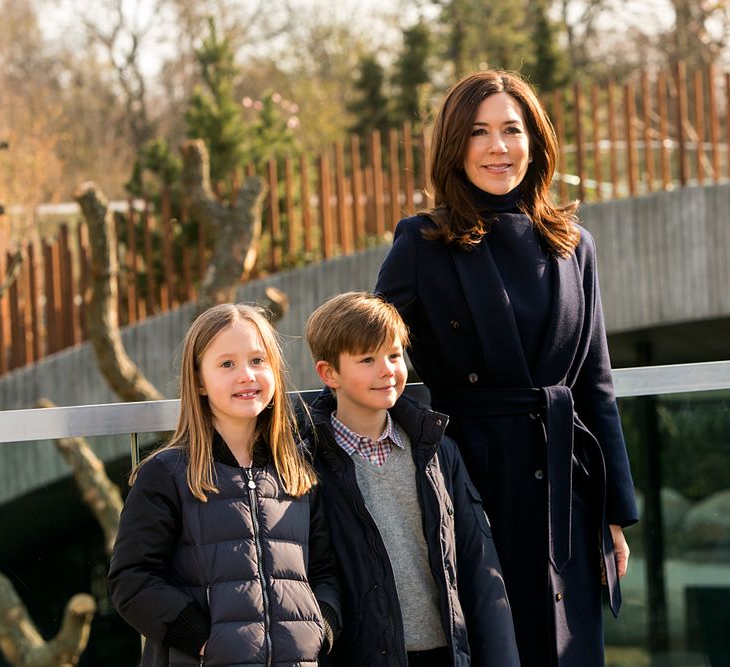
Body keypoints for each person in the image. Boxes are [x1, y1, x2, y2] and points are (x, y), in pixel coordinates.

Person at [375, 70, 639, 666]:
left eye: (512, 130)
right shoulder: (421, 242)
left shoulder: (575, 243)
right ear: (454, 146)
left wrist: (614, 513)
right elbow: (372, 347)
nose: (499, 146)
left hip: (565, 488)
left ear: (535, 141)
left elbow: (595, 382)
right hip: (471, 481)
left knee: (569, 649)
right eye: (479, 132)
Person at [108, 304, 341, 667]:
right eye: (227, 364)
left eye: (257, 360)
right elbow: (131, 581)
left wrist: (318, 630)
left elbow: (326, 571)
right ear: (199, 380)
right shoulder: (166, 474)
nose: (246, 375)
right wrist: (204, 640)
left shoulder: (297, 471)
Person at [302, 291, 519, 667]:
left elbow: (478, 564)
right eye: (367, 359)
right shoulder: (307, 462)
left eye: (394, 355)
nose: (387, 369)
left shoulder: (437, 451)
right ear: (329, 373)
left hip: (446, 653)